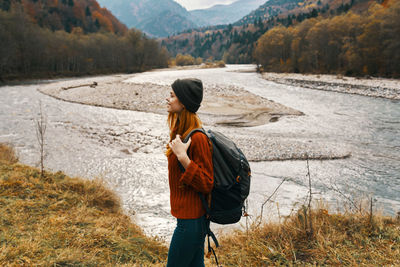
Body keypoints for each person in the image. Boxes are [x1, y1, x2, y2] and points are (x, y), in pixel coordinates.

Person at [165, 78, 214, 267]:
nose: (167, 99)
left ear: (183, 102)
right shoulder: (180, 131)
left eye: (172, 96)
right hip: (188, 220)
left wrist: (183, 158)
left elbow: (207, 182)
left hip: (191, 223)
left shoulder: (198, 137)